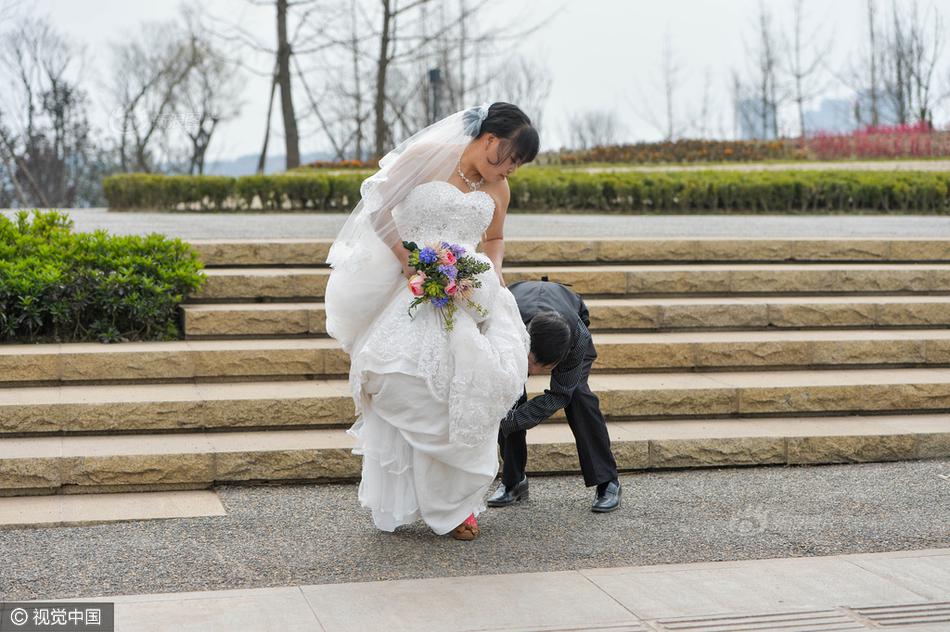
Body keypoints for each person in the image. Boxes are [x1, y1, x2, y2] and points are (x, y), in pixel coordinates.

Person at [324, 102, 540, 540]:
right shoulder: (426, 156)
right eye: (511, 158)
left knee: (468, 393)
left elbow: (494, 238)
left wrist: (492, 273)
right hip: (418, 285)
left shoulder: (499, 190)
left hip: (469, 292)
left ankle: (456, 506)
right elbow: (379, 206)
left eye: (519, 165)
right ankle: (417, 497)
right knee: (401, 381)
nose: (511, 170)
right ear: (490, 140)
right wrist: (409, 259)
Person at [489, 279, 622, 513]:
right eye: (531, 364)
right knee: (509, 396)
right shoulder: (507, 325)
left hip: (569, 313)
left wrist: (509, 423)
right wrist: (505, 416)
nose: (533, 372)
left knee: (578, 396)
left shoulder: (576, 342)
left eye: (543, 368)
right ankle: (513, 481)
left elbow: (559, 395)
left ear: (559, 361)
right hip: (521, 310)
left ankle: (607, 482)